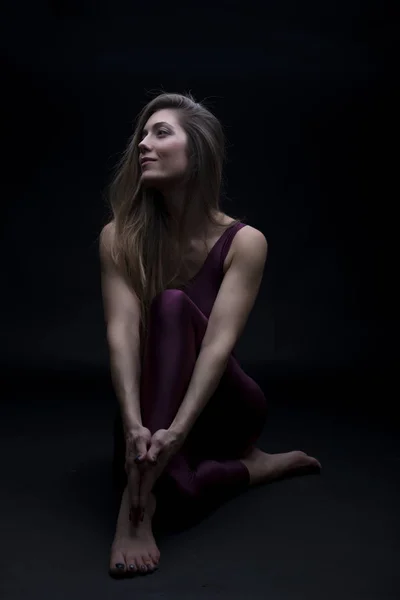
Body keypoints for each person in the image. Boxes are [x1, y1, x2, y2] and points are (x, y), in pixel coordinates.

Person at [99, 92, 321, 578]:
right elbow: (121, 339)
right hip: (152, 404)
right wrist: (135, 423)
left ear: (196, 151)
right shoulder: (119, 236)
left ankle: (133, 510)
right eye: (141, 134)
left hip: (222, 407)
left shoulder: (244, 242)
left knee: (173, 304)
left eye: (161, 133)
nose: (142, 144)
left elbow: (217, 349)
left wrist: (177, 432)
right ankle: (253, 468)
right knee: (176, 492)